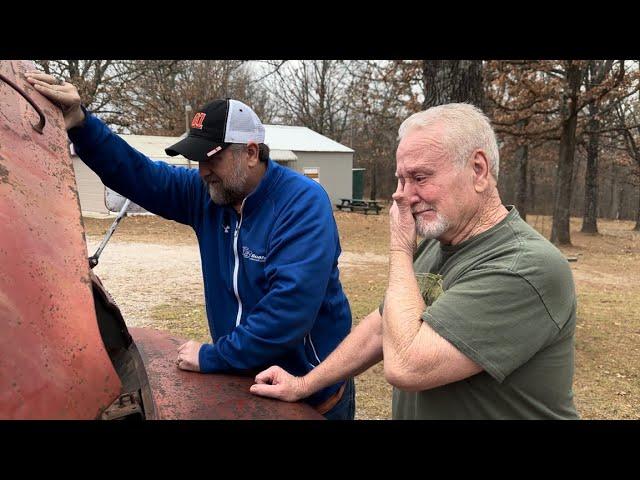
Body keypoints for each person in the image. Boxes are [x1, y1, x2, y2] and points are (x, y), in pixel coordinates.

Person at [26, 70, 355, 420]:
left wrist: (214, 356)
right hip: (248, 386)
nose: (202, 171)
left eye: (212, 158)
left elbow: (287, 314)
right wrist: (81, 124)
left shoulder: (301, 204)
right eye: (197, 160)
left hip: (310, 393)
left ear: (252, 153)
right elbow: (140, 175)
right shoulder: (210, 196)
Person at [250, 103, 580, 420]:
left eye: (420, 178)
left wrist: (399, 248)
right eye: (401, 179)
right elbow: (382, 328)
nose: (404, 196)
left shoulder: (525, 266)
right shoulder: (439, 244)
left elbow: (408, 365)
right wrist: (304, 384)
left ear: (478, 170)